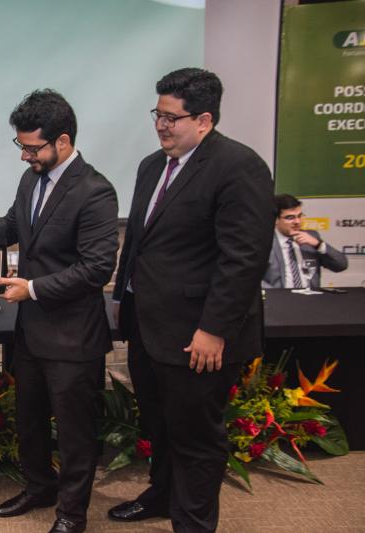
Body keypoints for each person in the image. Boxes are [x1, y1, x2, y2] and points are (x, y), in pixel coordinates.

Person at [0, 89, 119, 533]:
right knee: (30, 420)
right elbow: (13, 226)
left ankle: (71, 514)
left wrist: (32, 289)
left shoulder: (95, 191)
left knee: (74, 432)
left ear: (63, 141)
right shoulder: (32, 179)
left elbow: (96, 269)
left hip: (74, 336)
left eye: (32, 147)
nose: (24, 156)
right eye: (21, 146)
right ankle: (39, 487)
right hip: (32, 331)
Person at [110, 68, 274, 532]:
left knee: (196, 438)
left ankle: (193, 523)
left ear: (204, 120)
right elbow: (138, 242)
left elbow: (243, 259)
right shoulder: (151, 166)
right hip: (149, 327)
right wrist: (123, 297)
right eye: (157, 115)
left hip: (199, 335)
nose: (160, 126)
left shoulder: (239, 166)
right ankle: (162, 496)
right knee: (160, 425)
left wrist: (214, 329)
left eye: (171, 118)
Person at [262, 194, 348, 289]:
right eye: (290, 218)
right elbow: (252, 278)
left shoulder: (312, 237)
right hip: (279, 296)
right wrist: (275, 294)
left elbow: (341, 265)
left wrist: (318, 245)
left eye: (299, 216)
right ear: (275, 219)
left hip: (310, 296)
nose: (297, 222)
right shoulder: (265, 242)